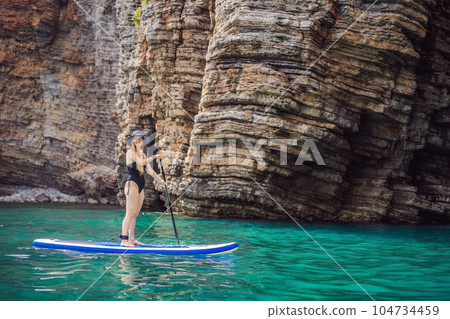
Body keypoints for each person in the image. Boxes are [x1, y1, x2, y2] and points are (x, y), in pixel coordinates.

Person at [120, 130, 166, 247]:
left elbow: (149, 171)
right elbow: (140, 162)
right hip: (132, 184)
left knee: (135, 214)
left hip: (141, 185)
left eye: (140, 138)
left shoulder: (143, 154)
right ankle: (124, 240)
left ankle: (132, 239)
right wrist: (155, 156)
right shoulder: (130, 152)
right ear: (133, 141)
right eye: (136, 139)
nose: (138, 140)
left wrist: (161, 181)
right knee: (129, 213)